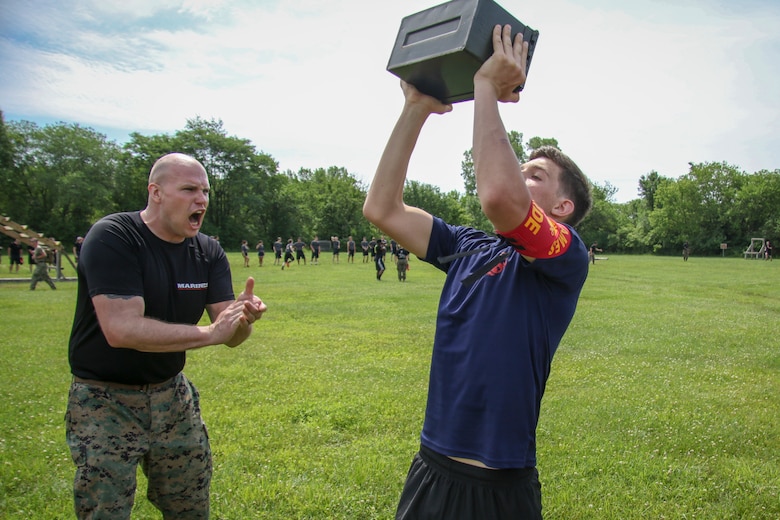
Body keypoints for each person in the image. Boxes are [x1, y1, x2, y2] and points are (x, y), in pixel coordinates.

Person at [363, 25, 592, 519]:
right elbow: (382, 208)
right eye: (521, 166)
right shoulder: (465, 245)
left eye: (535, 175)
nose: (518, 172)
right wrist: (415, 109)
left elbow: (499, 199)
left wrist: (484, 87)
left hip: (500, 485)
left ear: (563, 206)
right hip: (431, 468)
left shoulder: (565, 255)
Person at [65, 152, 267, 519]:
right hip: (104, 400)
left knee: (190, 504)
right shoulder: (115, 236)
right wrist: (210, 332)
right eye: (189, 189)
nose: (201, 200)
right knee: (104, 509)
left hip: (171, 395)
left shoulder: (207, 251)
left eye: (205, 191)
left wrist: (244, 320)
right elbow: (121, 329)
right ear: (155, 192)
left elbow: (230, 335)